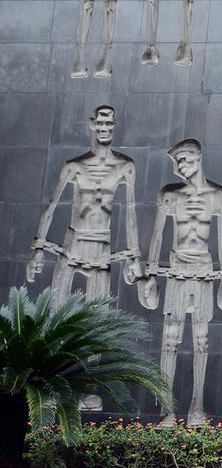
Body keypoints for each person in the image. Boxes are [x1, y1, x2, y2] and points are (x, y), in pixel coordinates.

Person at [26, 105, 143, 412]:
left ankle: (88, 389)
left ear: (114, 125)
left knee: (96, 321)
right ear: (92, 124)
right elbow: (51, 206)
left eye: (109, 121)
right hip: (73, 242)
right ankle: (50, 383)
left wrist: (134, 258)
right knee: (56, 315)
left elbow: (130, 211)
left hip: (101, 245)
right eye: (100, 121)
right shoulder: (74, 166)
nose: (104, 126)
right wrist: (38, 249)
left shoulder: (125, 166)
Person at [143, 139, 222, 428]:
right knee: (170, 339)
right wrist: (150, 276)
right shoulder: (170, 195)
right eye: (177, 162)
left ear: (198, 158)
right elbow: (157, 236)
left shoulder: (220, 196)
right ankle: (167, 410)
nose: (181, 167)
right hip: (176, 270)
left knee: (202, 340)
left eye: (185, 160)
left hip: (204, 270)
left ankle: (197, 406)